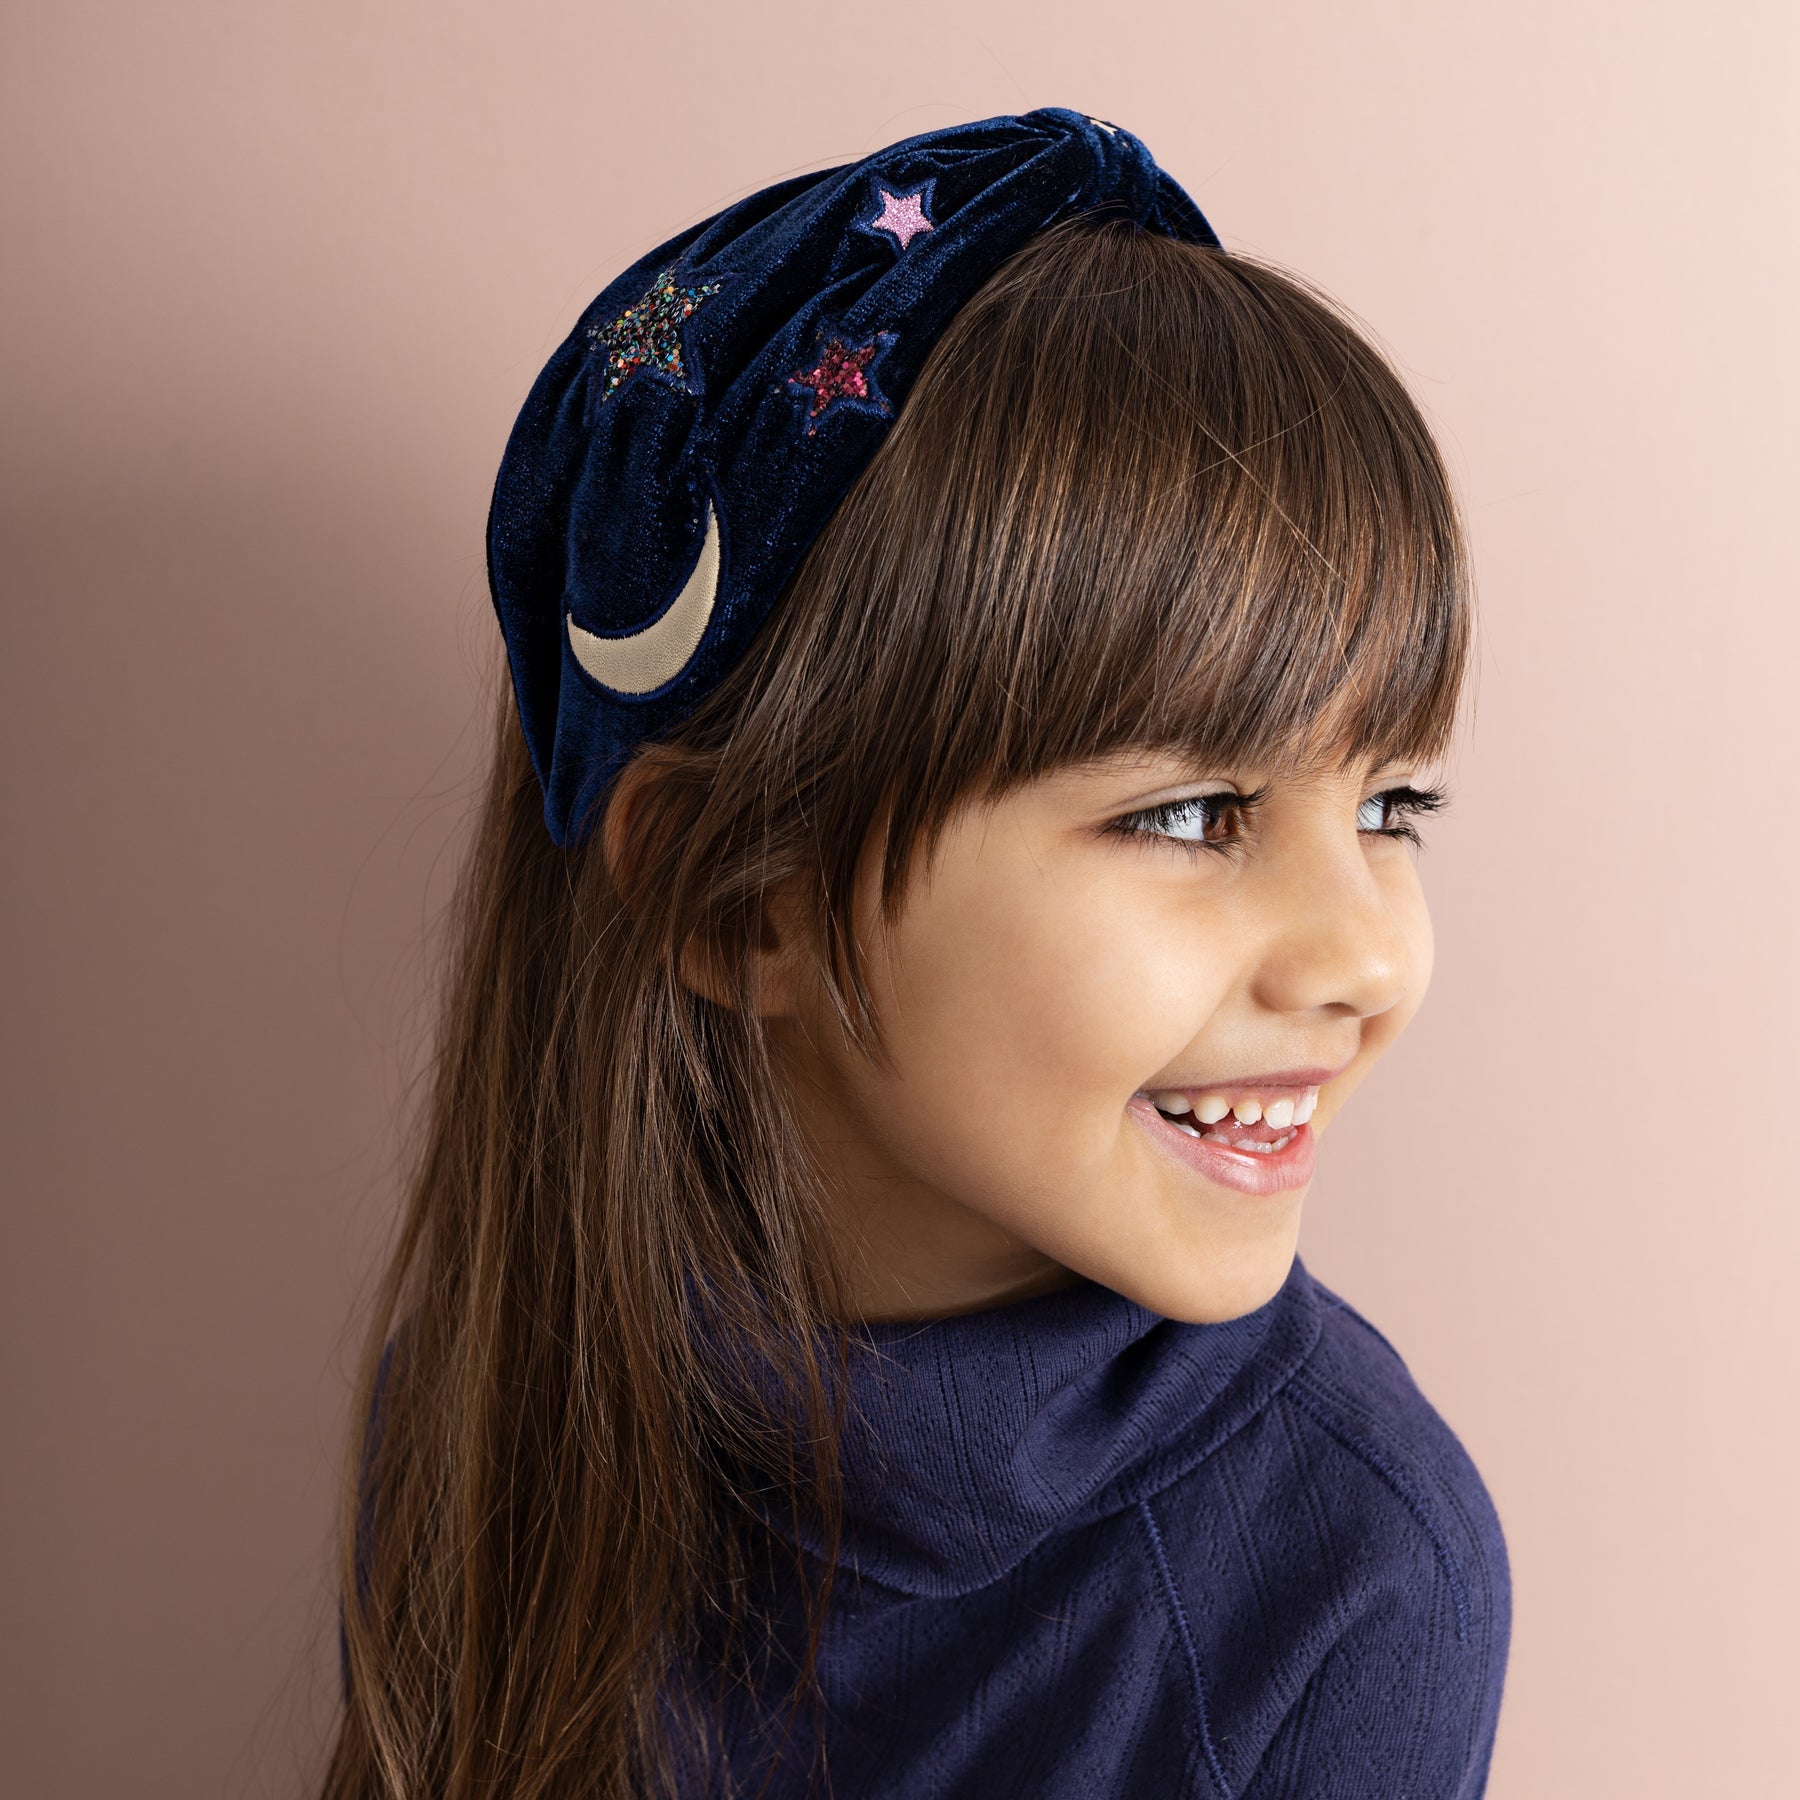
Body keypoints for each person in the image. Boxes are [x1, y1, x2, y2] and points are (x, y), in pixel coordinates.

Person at [323, 107, 1510, 1799]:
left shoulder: (1358, 1579)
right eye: (1190, 814)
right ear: (743, 902)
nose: (1369, 960)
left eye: (1393, 804)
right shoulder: (487, 1407)